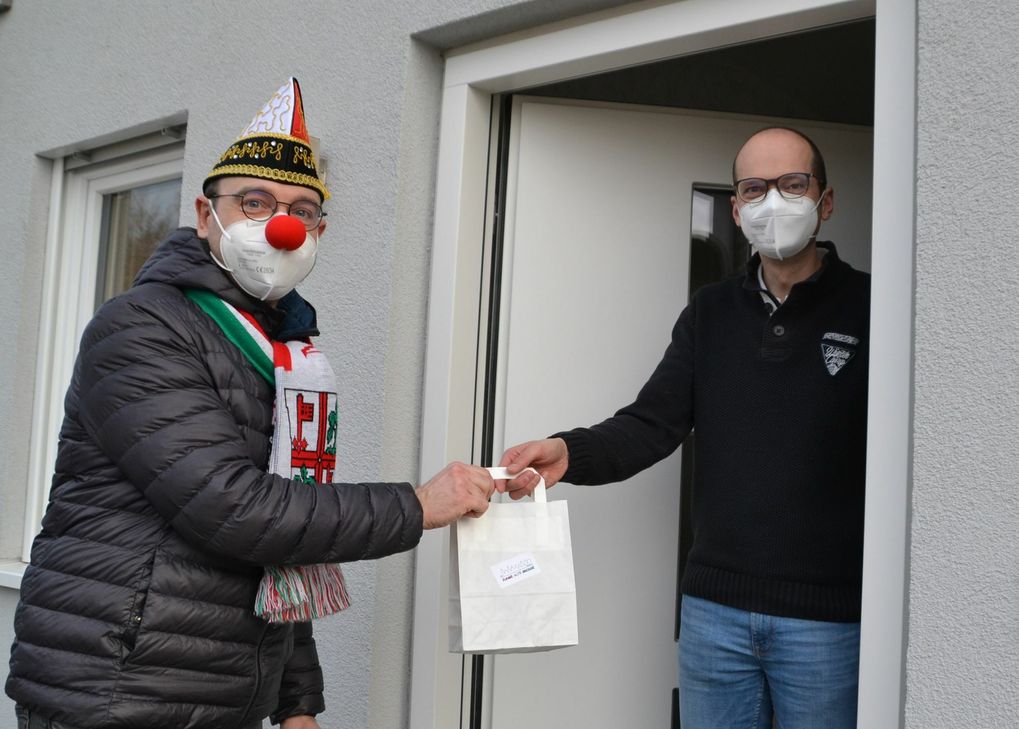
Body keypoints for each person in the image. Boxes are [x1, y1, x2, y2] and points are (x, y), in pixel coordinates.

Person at [6, 78, 494, 729]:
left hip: (210, 691)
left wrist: (296, 701)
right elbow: (235, 509)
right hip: (121, 687)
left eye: (301, 209)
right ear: (207, 217)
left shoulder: (283, 350)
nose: (282, 225)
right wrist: (417, 504)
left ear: (318, 231)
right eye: (255, 202)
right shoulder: (143, 327)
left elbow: (280, 535)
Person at [499, 126, 869, 729]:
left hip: (826, 620)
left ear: (824, 201)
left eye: (792, 184)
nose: (772, 202)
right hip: (713, 615)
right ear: (736, 208)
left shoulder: (873, 308)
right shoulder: (711, 312)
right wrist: (570, 452)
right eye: (754, 189)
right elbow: (651, 423)